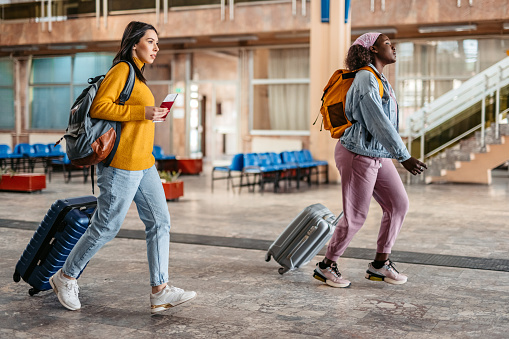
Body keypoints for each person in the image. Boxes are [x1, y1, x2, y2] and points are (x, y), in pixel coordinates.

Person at [49, 21, 196, 314]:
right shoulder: (123, 70)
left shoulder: (138, 78)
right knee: (106, 226)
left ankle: (160, 290)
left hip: (145, 163)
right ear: (134, 44)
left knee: (160, 222)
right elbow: (99, 107)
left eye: (157, 42)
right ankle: (65, 277)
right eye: (151, 41)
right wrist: (143, 112)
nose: (156, 47)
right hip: (122, 164)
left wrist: (150, 116)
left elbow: (129, 117)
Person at [313, 32, 427, 288]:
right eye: (387, 43)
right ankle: (326, 266)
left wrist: (396, 153)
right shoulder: (365, 77)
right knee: (355, 216)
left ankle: (379, 265)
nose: (393, 47)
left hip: (376, 153)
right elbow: (378, 121)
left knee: (398, 204)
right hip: (357, 154)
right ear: (373, 49)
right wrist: (404, 155)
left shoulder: (379, 78)